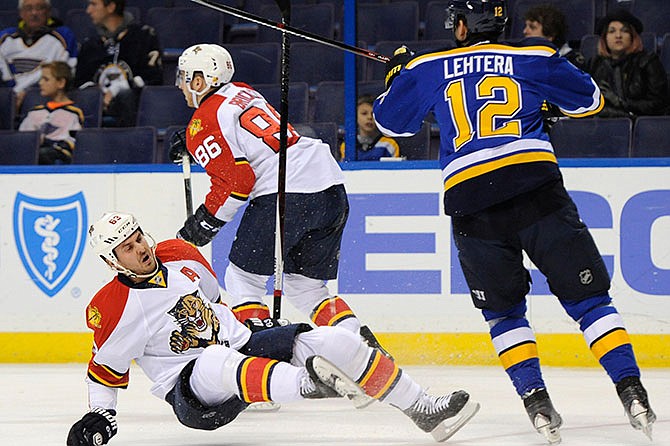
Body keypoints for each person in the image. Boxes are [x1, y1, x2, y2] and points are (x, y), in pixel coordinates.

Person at [373, 0, 655, 444]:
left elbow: (392, 123)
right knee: (589, 302)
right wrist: (542, 107)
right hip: (534, 186)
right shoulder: (535, 54)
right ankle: (631, 390)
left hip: (470, 199)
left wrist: (398, 75)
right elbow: (590, 101)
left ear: (464, 28)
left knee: (503, 312)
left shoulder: (427, 66)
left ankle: (537, 403)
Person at [65, 211, 480, 446]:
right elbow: (105, 369)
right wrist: (100, 415)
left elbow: (214, 302)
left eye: (139, 237)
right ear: (112, 261)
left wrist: (252, 323)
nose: (140, 248)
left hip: (246, 346)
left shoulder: (181, 255)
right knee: (215, 358)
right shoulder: (114, 308)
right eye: (127, 247)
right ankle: (310, 384)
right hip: (194, 392)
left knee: (332, 340)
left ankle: (423, 409)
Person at [169, 43, 388, 355]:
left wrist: (203, 224)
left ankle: (263, 360)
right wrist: (196, 142)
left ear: (201, 81)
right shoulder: (244, 92)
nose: (179, 84)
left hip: (287, 192)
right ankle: (363, 353)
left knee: (243, 279)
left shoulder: (203, 122)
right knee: (306, 286)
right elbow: (245, 139)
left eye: (184, 77)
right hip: (329, 186)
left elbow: (238, 182)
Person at [74, 0, 163, 127]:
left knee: (126, 97)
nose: (88, 10)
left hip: (134, 110)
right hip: (99, 109)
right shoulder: (90, 45)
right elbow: (80, 82)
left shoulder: (144, 36)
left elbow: (153, 78)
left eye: (93, 4)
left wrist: (117, 91)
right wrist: (99, 96)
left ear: (111, 7)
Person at [587, 9, 669, 118]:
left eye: (624, 30)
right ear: (604, 38)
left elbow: (659, 103)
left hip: (641, 128)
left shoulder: (647, 62)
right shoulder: (595, 64)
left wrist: (622, 103)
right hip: (603, 127)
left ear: (632, 36)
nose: (618, 35)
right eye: (612, 31)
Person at [0, 0, 77, 112]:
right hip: (8, 92)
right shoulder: (5, 38)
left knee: (36, 98)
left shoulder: (63, 37)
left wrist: (22, 92)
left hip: (40, 93)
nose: (34, 13)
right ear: (21, 13)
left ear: (49, 12)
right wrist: (12, 94)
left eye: (40, 8)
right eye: (28, 8)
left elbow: (64, 72)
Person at [18, 60, 82, 164]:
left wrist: (47, 142)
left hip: (56, 158)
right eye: (41, 79)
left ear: (61, 83)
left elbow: (71, 141)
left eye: (46, 79)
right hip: (32, 154)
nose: (40, 83)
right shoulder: (35, 112)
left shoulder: (73, 113)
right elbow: (23, 138)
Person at [522, 3, 586, 70]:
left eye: (532, 27)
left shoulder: (572, 63)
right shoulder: (523, 59)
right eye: (526, 26)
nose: (525, 31)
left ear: (550, 35)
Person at [339, 94, 400, 161]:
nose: (369, 117)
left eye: (373, 114)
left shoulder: (389, 144)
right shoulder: (347, 146)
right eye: (364, 113)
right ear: (355, 116)